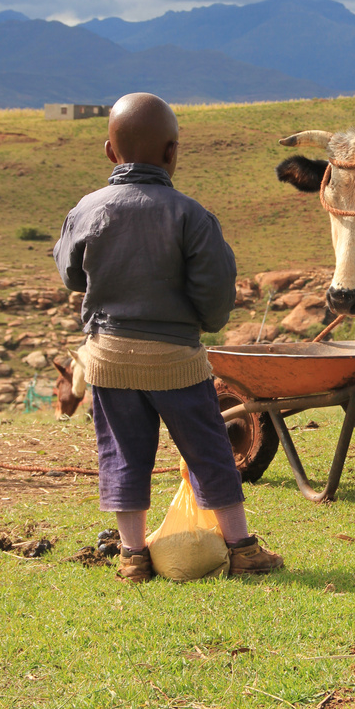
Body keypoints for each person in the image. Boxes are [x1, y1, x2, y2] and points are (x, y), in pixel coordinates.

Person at [53, 92, 283, 583]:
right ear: (172, 152)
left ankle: (133, 556)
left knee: (121, 454)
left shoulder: (87, 209)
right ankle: (242, 548)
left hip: (109, 359)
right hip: (177, 361)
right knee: (209, 451)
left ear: (111, 152)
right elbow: (216, 296)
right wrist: (200, 319)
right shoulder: (191, 215)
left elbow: (71, 275)